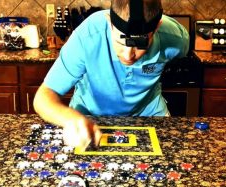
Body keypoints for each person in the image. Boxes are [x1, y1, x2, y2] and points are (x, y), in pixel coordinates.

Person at [33, 0, 189, 151]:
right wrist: (70, 119)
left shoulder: (176, 39)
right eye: (121, 42)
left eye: (140, 45)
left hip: (149, 114)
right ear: (109, 22)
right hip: (89, 116)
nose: (128, 56)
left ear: (156, 29)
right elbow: (42, 98)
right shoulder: (87, 36)